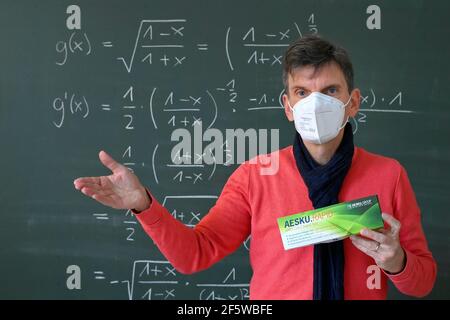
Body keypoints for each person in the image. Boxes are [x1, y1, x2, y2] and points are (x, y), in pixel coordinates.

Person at [73, 35, 436, 299]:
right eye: (302, 93)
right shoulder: (254, 176)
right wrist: (143, 205)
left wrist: (396, 259)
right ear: (288, 106)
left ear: (352, 102)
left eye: (330, 91)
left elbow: (424, 282)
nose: (316, 104)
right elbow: (194, 254)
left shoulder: (388, 175)